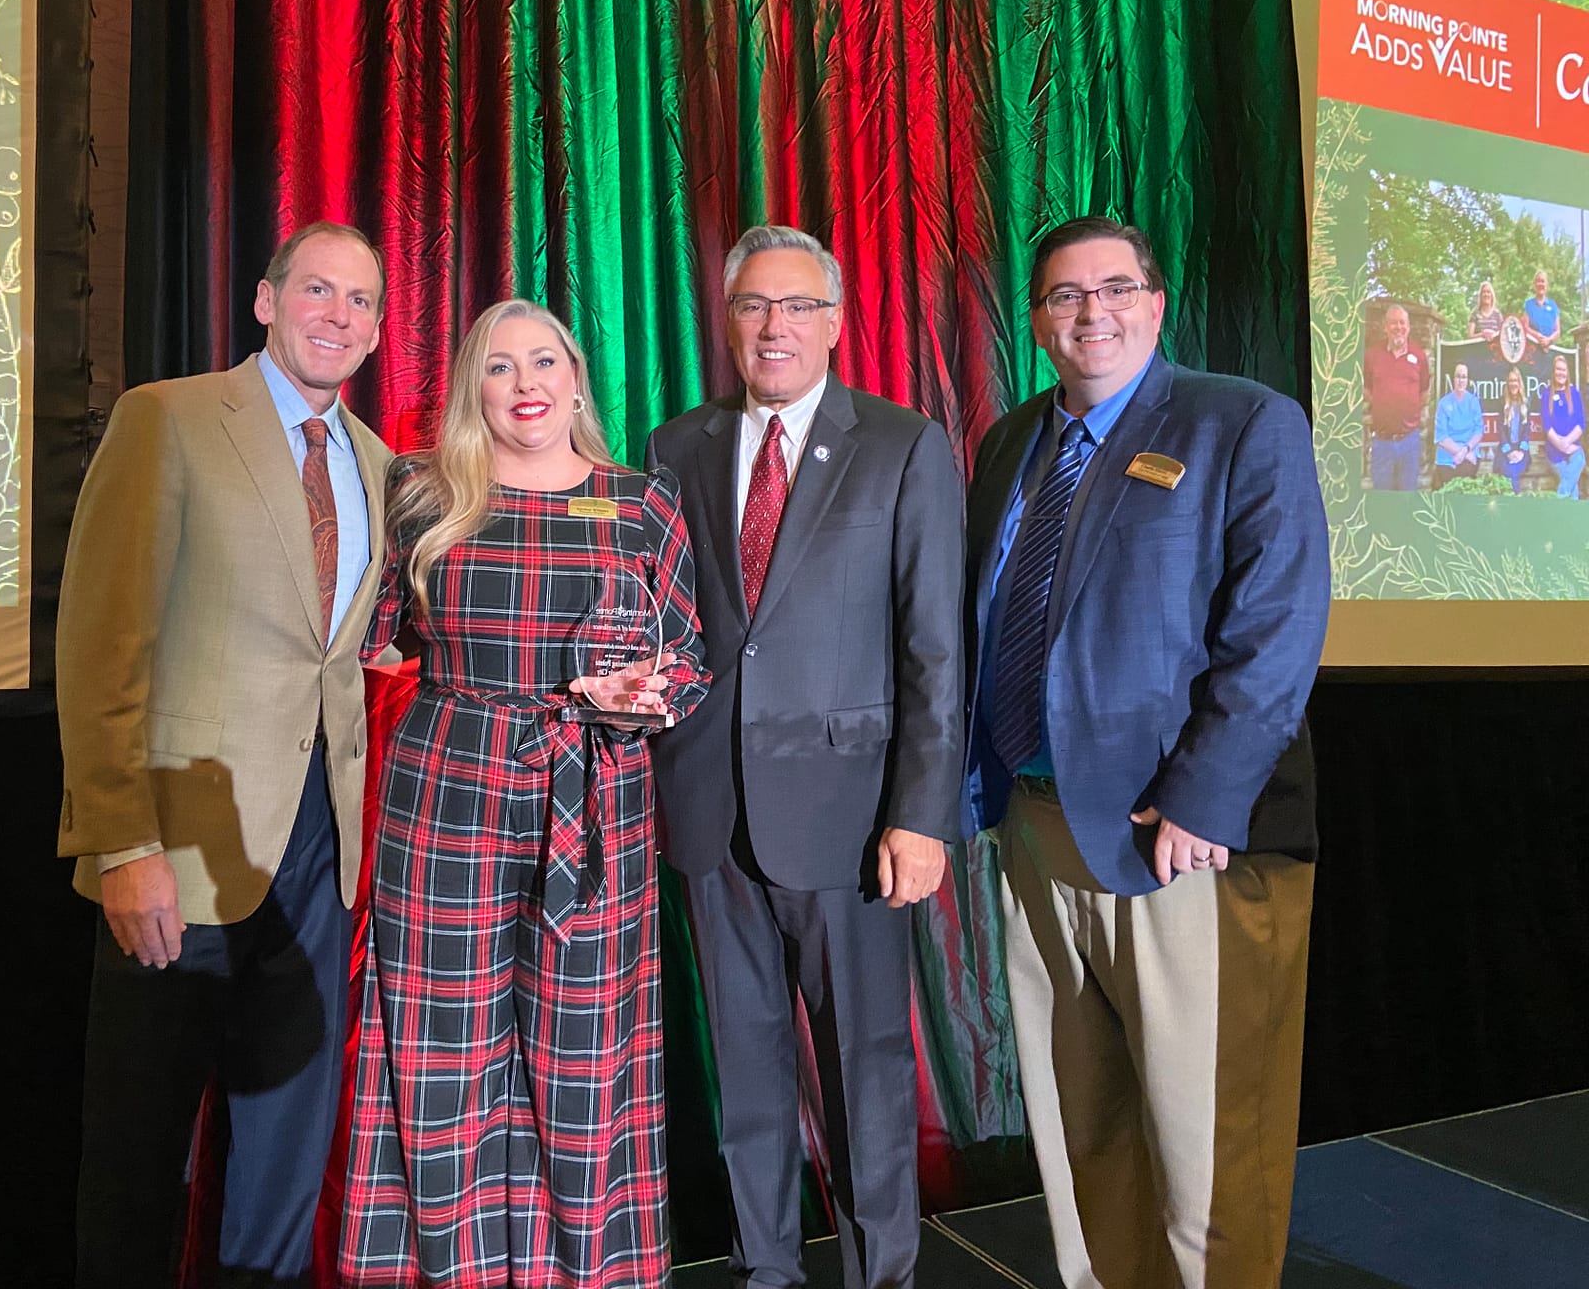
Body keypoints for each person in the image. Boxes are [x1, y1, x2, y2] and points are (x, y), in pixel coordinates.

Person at [963, 217, 1329, 1289]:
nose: (1092, 314)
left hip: (1184, 842)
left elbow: (1277, 628)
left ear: (1157, 303)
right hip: (1035, 831)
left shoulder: (1241, 422)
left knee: (1208, 1143)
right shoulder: (1007, 443)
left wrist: (1206, 802)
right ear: (1034, 319)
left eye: (1115, 289)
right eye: (1065, 296)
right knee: (1084, 1136)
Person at [339, 300, 709, 1289]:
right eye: (499, 367)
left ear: (578, 378)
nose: (526, 383)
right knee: (442, 1051)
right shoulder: (419, 492)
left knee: (584, 1059)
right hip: (445, 793)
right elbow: (372, 641)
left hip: (595, 798)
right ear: (474, 389)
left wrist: (639, 696)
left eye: (544, 360)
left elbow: (690, 658)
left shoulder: (639, 502)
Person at [57, 222, 394, 1288]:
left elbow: (340, 650)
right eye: (318, 290)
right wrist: (122, 843)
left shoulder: (380, 464)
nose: (338, 315)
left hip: (317, 859)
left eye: (361, 301)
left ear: (379, 329)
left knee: (283, 1158)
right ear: (265, 300)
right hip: (180, 851)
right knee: (136, 1156)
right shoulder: (170, 419)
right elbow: (105, 643)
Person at [646, 225, 964, 1289]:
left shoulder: (901, 444)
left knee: (866, 1075)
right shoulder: (674, 445)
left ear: (835, 321)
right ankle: (767, 1273)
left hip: (853, 817)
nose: (773, 326)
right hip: (708, 813)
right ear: (727, 319)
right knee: (745, 1073)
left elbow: (934, 646)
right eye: (752, 305)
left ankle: (883, 1276)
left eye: (796, 306)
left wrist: (922, 816)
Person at [1364, 303, 1429, 490]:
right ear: (1386, 327)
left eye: (1402, 323)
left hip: (1410, 441)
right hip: (1382, 443)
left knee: (1407, 500)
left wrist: (1408, 410)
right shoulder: (1372, 355)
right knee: (1382, 500)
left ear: (1408, 327)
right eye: (1393, 323)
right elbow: (1366, 388)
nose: (1398, 327)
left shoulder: (1419, 356)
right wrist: (1382, 404)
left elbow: (1424, 392)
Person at [1540, 354, 1585, 498]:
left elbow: (1581, 424)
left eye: (1563, 370)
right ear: (1553, 372)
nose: (1561, 373)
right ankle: (1565, 506)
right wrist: (1561, 445)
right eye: (1558, 369)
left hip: (1572, 447)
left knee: (1580, 459)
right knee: (1574, 491)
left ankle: (1559, 498)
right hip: (1554, 452)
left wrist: (1567, 442)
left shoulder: (1574, 393)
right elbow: (1547, 427)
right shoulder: (1547, 395)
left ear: (1567, 373)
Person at [1433, 361, 1484, 487]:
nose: (1460, 380)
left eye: (1464, 377)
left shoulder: (1473, 402)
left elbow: (1478, 431)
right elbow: (1441, 438)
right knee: (1447, 485)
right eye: (1458, 376)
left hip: (1469, 454)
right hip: (1447, 456)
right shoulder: (1444, 404)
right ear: (1453, 379)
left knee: (1464, 480)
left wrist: (1465, 451)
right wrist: (1460, 453)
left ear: (1468, 380)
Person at [1498, 366, 1532, 493]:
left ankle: (1514, 500)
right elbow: (1501, 431)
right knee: (1508, 471)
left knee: (1513, 472)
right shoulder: (1502, 403)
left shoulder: (1526, 404)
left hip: (1521, 450)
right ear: (1508, 383)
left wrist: (1521, 452)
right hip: (1505, 450)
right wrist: (1509, 452)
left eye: (1516, 380)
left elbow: (1527, 431)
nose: (1513, 384)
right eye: (1511, 381)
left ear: (1520, 383)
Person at [1523, 270, 1561, 351]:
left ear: (1547, 285)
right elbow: (1525, 327)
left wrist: (1549, 340)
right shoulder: (1528, 304)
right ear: (1534, 285)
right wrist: (1537, 336)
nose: (1540, 284)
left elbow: (1557, 331)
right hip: (1532, 348)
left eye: (1543, 281)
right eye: (1538, 281)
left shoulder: (1553, 305)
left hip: (1550, 348)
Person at [1469, 280, 1504, 345]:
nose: (1486, 294)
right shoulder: (1475, 313)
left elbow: (1503, 335)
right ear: (1480, 295)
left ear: (1492, 295)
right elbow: (1470, 336)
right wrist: (1483, 334)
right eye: (1484, 292)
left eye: (1488, 292)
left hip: (1495, 350)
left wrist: (1492, 334)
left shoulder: (1497, 314)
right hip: (1478, 349)